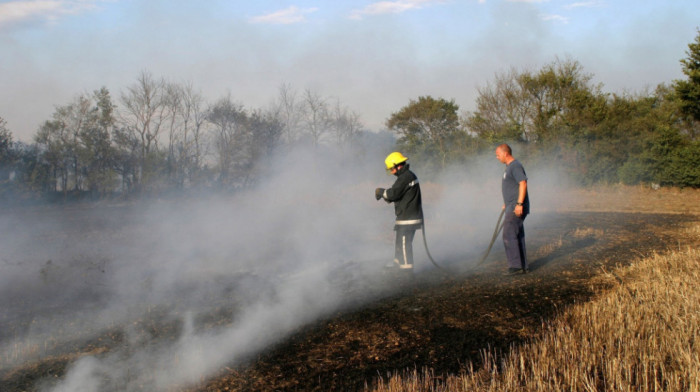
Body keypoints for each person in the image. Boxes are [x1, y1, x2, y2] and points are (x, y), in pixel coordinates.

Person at [375, 152, 423, 271]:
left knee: (404, 244)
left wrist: (381, 192)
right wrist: (386, 195)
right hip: (406, 215)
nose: (391, 172)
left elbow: (393, 194)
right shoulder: (407, 176)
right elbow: (398, 195)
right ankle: (398, 264)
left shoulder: (405, 177)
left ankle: (406, 271)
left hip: (408, 217)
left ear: (397, 165)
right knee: (399, 242)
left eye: (392, 169)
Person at [495, 144, 530, 275]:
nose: (497, 157)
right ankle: (522, 266)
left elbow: (523, 183)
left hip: (516, 207)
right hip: (511, 206)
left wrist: (519, 204)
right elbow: (513, 187)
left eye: (498, 154)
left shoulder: (515, 166)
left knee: (508, 234)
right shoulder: (509, 167)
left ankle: (515, 266)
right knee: (516, 234)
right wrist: (507, 203)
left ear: (505, 153)